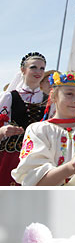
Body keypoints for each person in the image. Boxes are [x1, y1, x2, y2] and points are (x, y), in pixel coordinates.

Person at [11, 70, 75, 187]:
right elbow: (34, 182)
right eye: (69, 94)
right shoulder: (38, 130)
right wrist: (69, 168)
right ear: (54, 96)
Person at [0, 55, 47, 188]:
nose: (38, 72)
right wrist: (3, 130)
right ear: (23, 70)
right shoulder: (9, 97)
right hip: (11, 154)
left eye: (42, 68)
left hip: (37, 156)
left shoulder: (48, 100)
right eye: (33, 67)